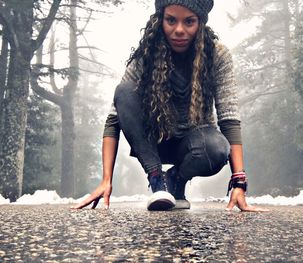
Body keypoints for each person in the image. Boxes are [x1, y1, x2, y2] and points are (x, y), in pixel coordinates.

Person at [73, 0, 268, 212]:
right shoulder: (146, 54)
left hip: (195, 145)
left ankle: (175, 180)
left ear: (200, 23)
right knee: (123, 90)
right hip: (153, 141)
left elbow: (229, 118)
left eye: (189, 22)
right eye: (171, 20)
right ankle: (157, 180)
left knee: (218, 148)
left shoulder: (217, 56)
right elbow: (114, 118)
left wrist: (239, 182)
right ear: (160, 20)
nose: (179, 30)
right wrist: (106, 180)